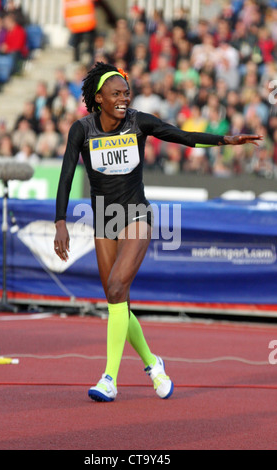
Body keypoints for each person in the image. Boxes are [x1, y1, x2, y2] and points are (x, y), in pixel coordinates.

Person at [54, 62, 262, 403]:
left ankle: (109, 378)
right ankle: (153, 364)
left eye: (126, 93)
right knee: (116, 300)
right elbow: (65, 176)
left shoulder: (139, 122)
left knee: (119, 286)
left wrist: (226, 140)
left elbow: (185, 137)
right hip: (104, 217)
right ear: (98, 98)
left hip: (136, 213)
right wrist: (60, 221)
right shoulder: (82, 129)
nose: (124, 98)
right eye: (116, 94)